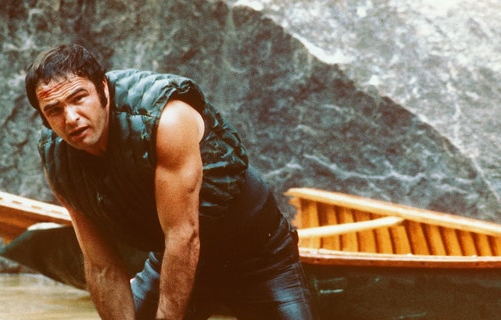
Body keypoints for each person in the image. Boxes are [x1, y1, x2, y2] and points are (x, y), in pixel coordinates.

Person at [25, 43, 316, 320]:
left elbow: (184, 235)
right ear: (43, 117)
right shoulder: (58, 160)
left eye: (78, 98)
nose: (71, 117)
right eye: (54, 110)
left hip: (256, 258)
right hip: (171, 262)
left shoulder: (166, 119)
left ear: (103, 88)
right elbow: (102, 266)